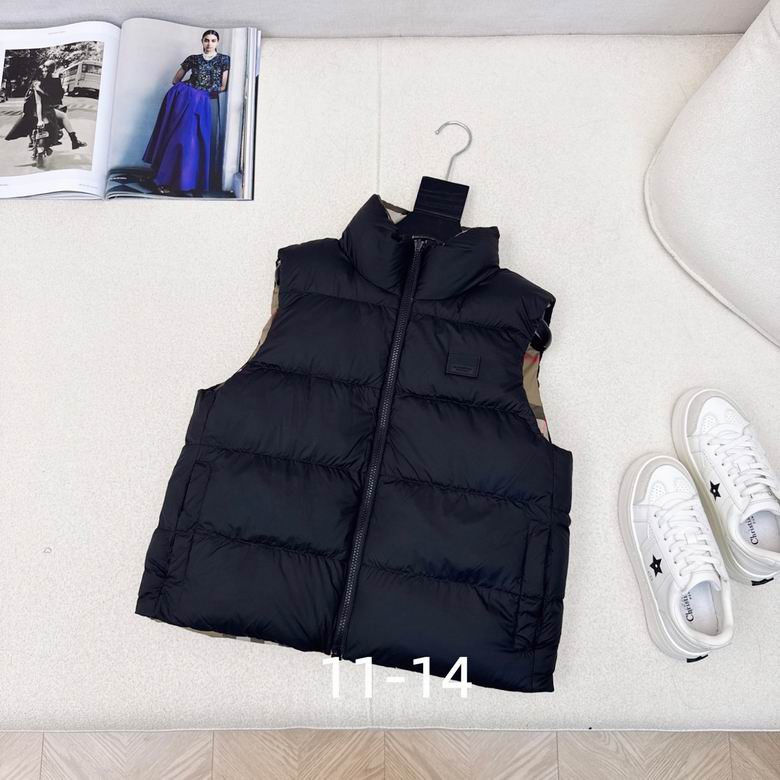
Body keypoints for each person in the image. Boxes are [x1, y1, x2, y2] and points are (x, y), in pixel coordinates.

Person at [142, 30, 230, 195]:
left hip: (202, 101)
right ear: (202, 41)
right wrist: (190, 90)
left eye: (213, 40)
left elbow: (223, 87)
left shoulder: (224, 60)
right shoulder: (193, 58)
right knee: (179, 137)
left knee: (194, 141)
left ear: (217, 42)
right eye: (206, 40)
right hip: (185, 98)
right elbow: (175, 80)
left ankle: (186, 182)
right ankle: (165, 180)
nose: (209, 43)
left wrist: (203, 92)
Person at [4, 59, 87, 150]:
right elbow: (48, 101)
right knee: (63, 116)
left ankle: (31, 142)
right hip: (44, 110)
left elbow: (39, 101)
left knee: (29, 121)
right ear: (53, 69)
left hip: (32, 111)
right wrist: (40, 119)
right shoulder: (51, 81)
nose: (44, 72)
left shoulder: (36, 82)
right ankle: (74, 141)